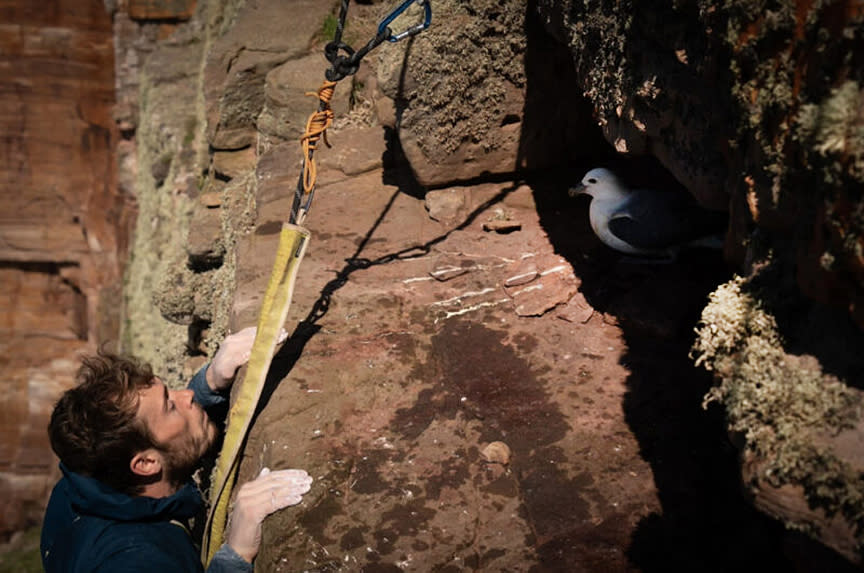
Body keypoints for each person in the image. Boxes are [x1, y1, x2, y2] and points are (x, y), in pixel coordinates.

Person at [40, 327, 311, 572]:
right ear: (145, 464)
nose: (188, 395)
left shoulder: (78, 486)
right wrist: (235, 555)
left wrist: (211, 381)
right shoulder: (139, 560)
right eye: (170, 405)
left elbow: (163, 439)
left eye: (169, 391)